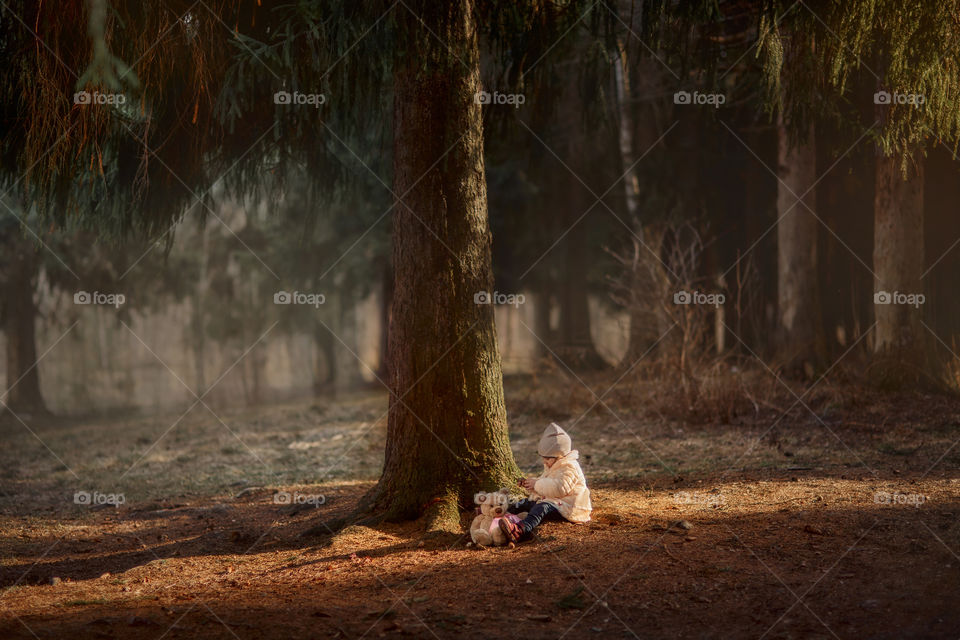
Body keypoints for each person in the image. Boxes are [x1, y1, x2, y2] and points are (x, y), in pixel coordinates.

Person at [499, 422, 591, 542]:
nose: (544, 461)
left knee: (540, 508)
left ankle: (520, 530)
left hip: (570, 507)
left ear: (560, 456)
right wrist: (531, 485)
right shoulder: (554, 465)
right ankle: (501, 515)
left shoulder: (569, 467)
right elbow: (546, 484)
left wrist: (537, 484)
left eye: (547, 458)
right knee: (525, 503)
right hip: (556, 501)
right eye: (543, 457)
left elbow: (560, 488)